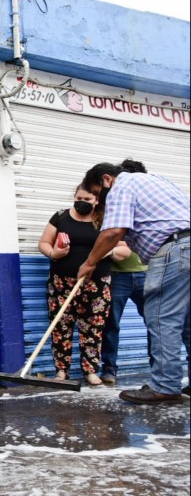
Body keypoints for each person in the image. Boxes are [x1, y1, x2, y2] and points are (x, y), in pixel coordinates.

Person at [79, 161, 190, 405]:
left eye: (97, 193)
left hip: (174, 251)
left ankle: (165, 387)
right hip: (186, 246)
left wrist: (89, 263)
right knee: (188, 323)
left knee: (162, 319)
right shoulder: (157, 179)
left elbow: (113, 231)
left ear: (107, 179)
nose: (100, 200)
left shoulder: (122, 185)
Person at [37, 183, 122, 386]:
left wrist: (108, 251)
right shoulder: (61, 217)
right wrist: (53, 253)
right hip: (61, 282)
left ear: (97, 200)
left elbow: (124, 250)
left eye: (87, 199)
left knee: (93, 327)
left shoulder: (106, 220)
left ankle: (90, 371)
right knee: (60, 326)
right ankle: (61, 371)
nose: (82, 202)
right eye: (79, 198)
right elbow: (43, 243)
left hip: (96, 284)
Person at [99, 159, 153, 384]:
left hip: (145, 272)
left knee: (155, 324)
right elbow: (107, 236)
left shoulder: (144, 203)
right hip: (117, 276)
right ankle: (109, 369)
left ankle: (158, 369)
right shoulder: (111, 203)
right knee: (111, 324)